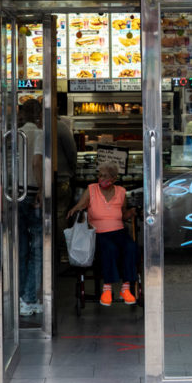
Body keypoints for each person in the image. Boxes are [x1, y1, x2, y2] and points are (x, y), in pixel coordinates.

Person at [67, 162, 137, 306]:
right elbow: (81, 205)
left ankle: (126, 288)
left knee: (131, 247)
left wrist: (130, 213)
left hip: (119, 231)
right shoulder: (91, 190)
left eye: (105, 176)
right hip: (98, 233)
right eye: (99, 175)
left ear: (114, 178)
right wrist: (74, 210)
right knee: (109, 248)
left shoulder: (121, 192)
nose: (101, 178)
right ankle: (107, 288)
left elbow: (122, 215)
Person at [18, 98, 44, 316]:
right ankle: (29, 298)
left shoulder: (15, 134)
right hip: (33, 193)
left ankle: (18, 296)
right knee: (38, 249)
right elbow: (37, 163)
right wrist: (44, 189)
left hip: (15, 193)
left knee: (21, 248)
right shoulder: (39, 133)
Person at [55, 113, 78, 258]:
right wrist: (72, 171)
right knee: (60, 216)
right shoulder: (61, 127)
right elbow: (72, 152)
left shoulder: (38, 127)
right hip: (62, 179)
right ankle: (63, 252)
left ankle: (52, 250)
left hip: (36, 182)